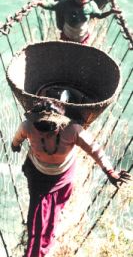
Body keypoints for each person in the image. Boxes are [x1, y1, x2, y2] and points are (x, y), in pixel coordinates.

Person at [11, 100, 131, 257]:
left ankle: (45, 248)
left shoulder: (73, 130)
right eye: (40, 127)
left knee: (53, 216)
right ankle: (35, 253)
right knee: (36, 221)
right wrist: (15, 145)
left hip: (62, 176)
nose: (45, 133)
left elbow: (95, 150)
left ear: (60, 124)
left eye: (49, 129)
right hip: (38, 175)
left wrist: (110, 172)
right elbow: (17, 139)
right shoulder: (28, 126)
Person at [33, 0, 120, 44]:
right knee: (65, 51)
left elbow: (100, 15)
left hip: (83, 36)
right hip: (67, 34)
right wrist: (39, 3)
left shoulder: (90, 5)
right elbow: (51, 5)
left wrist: (111, 11)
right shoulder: (65, 3)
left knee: (80, 55)